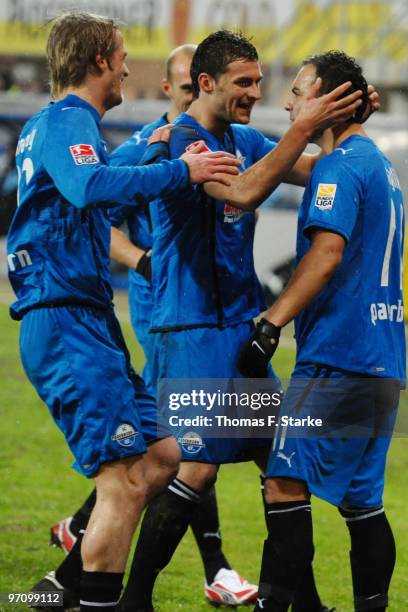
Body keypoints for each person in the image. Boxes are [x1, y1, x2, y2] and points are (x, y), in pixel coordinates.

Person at [115, 31, 366, 612]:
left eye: (258, 82)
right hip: (191, 330)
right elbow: (248, 192)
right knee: (192, 469)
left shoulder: (246, 137)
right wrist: (302, 129)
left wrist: (345, 120)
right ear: (206, 83)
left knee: (283, 460)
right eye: (244, 83)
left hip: (240, 331)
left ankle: (299, 600)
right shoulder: (182, 142)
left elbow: (310, 167)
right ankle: (129, 596)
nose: (257, 93)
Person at [7, 12, 241, 612]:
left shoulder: (57, 125)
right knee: (122, 480)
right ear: (101, 63)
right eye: (124, 56)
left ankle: (66, 581)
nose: (130, 67)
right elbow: (89, 189)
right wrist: (179, 169)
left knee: (163, 455)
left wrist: (146, 161)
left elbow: (84, 188)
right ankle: (85, 597)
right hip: (66, 322)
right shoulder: (66, 122)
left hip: (85, 320)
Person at [237, 51, 405, 612]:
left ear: (330, 99)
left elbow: (327, 254)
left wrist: (272, 320)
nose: (288, 103)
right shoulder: (375, 164)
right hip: (384, 358)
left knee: (283, 483)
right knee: (363, 503)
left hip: (337, 357)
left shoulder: (340, 169)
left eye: (300, 91)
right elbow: (296, 165)